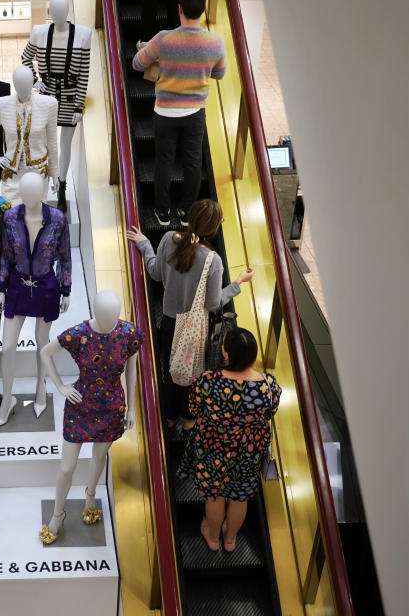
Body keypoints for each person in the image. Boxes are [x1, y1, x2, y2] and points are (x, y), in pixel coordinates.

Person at [125, 199, 252, 430]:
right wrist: (236, 285)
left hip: (170, 323)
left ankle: (170, 416)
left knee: (171, 370)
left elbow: (154, 272)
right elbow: (213, 304)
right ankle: (188, 419)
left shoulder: (168, 239)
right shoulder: (213, 261)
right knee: (193, 373)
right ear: (214, 228)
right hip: (195, 329)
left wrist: (144, 245)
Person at [177, 327, 280, 552]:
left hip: (212, 448)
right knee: (239, 498)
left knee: (214, 496)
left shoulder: (208, 382)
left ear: (226, 354)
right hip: (248, 452)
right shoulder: (269, 386)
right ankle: (230, 539)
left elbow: (194, 409)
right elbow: (269, 414)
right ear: (253, 356)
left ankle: (213, 537)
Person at [131, 0, 227, 226]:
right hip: (195, 112)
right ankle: (186, 213)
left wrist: (149, 53)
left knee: (164, 160)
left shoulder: (164, 38)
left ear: (179, 8)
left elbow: (137, 65)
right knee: (193, 161)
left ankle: (162, 212)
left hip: (164, 111)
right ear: (204, 10)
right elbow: (220, 74)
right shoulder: (215, 42)